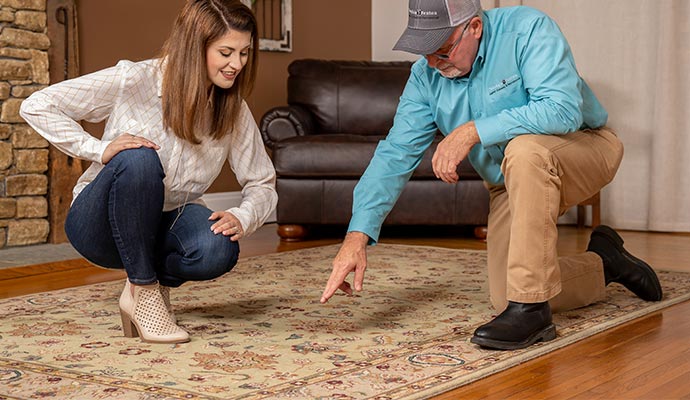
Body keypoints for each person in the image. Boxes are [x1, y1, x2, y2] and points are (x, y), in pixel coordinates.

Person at [320, 0, 663, 350]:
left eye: (441, 50)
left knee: (525, 150)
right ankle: (605, 263)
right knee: (507, 295)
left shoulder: (527, 29)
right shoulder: (426, 77)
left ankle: (531, 313)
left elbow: (561, 109)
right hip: (508, 182)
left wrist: (472, 130)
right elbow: (394, 155)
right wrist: (356, 237)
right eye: (424, 52)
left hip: (584, 148)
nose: (434, 63)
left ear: (474, 27)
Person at [20, 0, 277, 344]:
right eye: (226, 52)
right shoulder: (135, 78)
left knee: (218, 249)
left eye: (244, 53)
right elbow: (37, 105)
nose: (237, 65)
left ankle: (144, 286)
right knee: (138, 157)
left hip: (167, 220)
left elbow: (262, 182)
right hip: (99, 226)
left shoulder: (232, 108)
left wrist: (243, 216)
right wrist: (99, 149)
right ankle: (144, 288)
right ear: (194, 47)